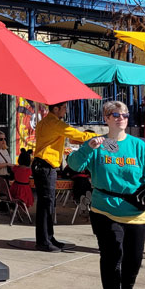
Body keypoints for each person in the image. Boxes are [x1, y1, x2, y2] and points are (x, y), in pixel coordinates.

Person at [67, 100, 145, 289]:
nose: (122, 118)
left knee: (134, 258)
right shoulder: (97, 145)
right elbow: (74, 165)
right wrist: (88, 147)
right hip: (105, 209)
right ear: (106, 118)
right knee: (111, 258)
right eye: (116, 114)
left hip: (135, 211)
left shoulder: (138, 146)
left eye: (125, 115)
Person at [32, 102, 96, 251]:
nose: (66, 110)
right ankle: (44, 241)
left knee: (48, 204)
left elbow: (67, 139)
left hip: (43, 165)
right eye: (64, 108)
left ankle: (48, 237)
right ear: (56, 109)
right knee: (47, 204)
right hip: (46, 165)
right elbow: (78, 135)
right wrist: (100, 136)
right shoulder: (55, 123)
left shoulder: (44, 122)